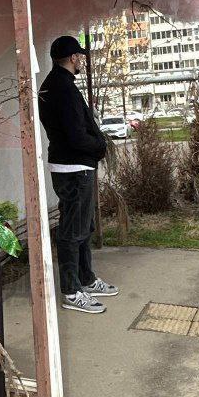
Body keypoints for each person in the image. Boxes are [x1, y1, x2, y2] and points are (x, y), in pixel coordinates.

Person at [37, 35, 117, 313]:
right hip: (74, 168)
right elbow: (76, 135)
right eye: (79, 56)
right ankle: (72, 291)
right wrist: (99, 146)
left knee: (83, 227)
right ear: (73, 58)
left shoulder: (54, 84)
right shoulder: (63, 89)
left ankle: (86, 279)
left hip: (72, 167)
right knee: (73, 231)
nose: (81, 60)